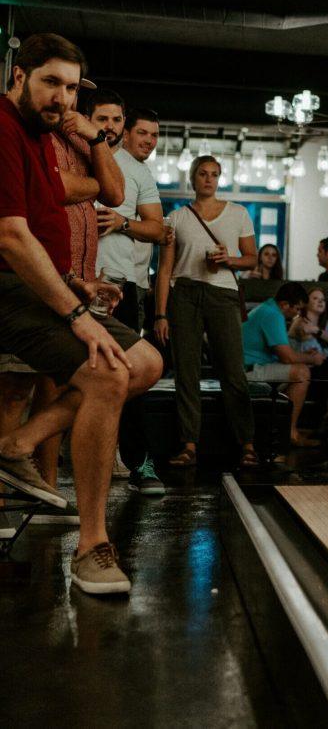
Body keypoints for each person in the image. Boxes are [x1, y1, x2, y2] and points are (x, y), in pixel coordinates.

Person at [0, 33, 162, 594]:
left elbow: (62, 214)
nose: (62, 98)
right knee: (106, 372)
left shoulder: (40, 140)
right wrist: (75, 313)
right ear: (18, 77)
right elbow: (12, 239)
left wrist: (78, 284)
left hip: (42, 287)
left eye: (71, 88)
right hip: (6, 290)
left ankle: (18, 446)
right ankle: (92, 547)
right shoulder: (2, 129)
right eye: (51, 83)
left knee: (145, 364)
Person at [30, 89, 128, 522]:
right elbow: (56, 190)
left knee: (63, 385)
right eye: (100, 119)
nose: (109, 126)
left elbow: (117, 194)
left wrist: (96, 142)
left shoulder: (90, 144)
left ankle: (47, 490)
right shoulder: (42, 136)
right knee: (17, 388)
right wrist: (94, 187)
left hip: (80, 277)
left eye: (114, 121)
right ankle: (25, 492)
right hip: (43, 277)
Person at [155, 155, 259, 466]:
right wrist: (160, 314)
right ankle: (189, 445)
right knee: (186, 372)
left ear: (220, 178)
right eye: (203, 174)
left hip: (222, 293)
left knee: (233, 370)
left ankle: (248, 444)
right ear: (193, 178)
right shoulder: (176, 218)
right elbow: (164, 270)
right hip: (184, 294)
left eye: (214, 174)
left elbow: (251, 259)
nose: (209, 179)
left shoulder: (238, 213)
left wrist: (230, 259)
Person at [92, 105, 168, 495]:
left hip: (124, 286)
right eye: (143, 133)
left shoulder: (141, 173)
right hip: (79, 280)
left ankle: (139, 462)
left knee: (132, 371)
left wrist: (121, 222)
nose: (149, 142)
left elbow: (158, 229)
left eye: (154, 136)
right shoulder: (87, 155)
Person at [242, 281, 325, 448]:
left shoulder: (268, 308)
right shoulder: (273, 314)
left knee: (298, 369)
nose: (298, 313)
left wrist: (304, 356)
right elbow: (286, 357)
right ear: (285, 304)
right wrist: (312, 359)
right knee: (302, 373)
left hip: (253, 367)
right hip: (248, 372)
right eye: (297, 309)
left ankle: (282, 428)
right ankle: (290, 433)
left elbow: (281, 353)